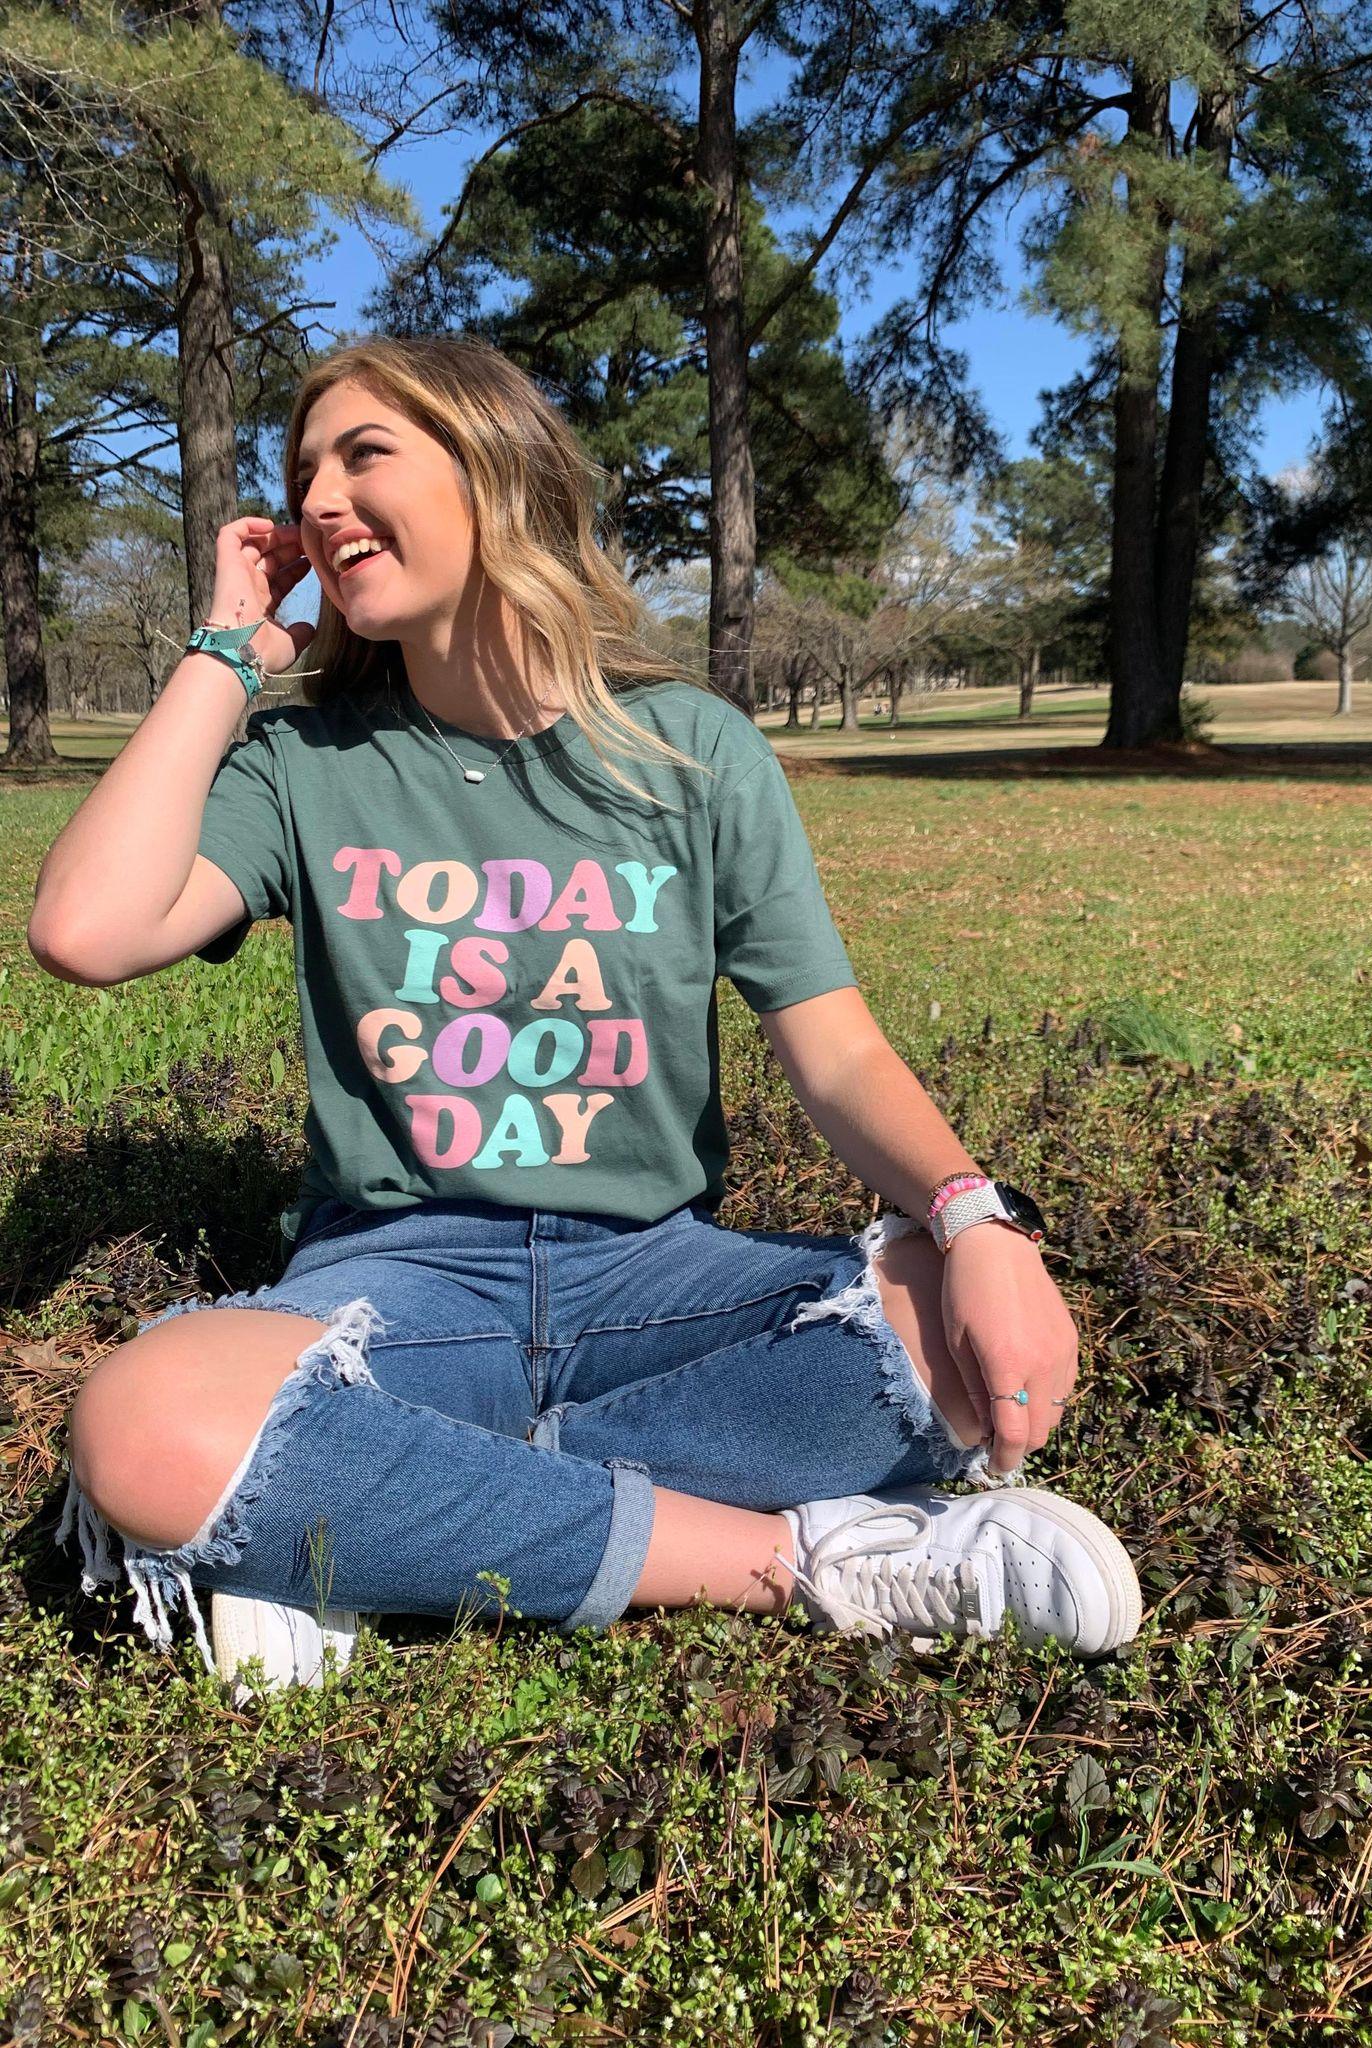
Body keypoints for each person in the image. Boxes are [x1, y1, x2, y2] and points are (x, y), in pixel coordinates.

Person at [32, 336, 1141, 1694]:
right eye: (304, 470)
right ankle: (806, 1560)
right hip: (404, 1282)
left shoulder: (691, 751)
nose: (318, 496)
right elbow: (83, 932)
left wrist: (977, 1225)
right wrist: (229, 648)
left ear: (498, 470)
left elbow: (838, 1050)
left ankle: (374, 1527)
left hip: (653, 1279)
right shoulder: (302, 767)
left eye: (364, 454)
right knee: (144, 1424)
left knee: (942, 1333)